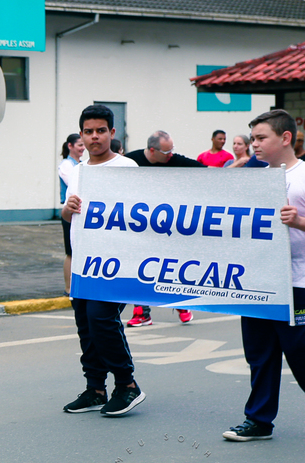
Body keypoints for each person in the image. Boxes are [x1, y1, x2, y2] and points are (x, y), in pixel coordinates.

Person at [223, 109, 305, 441]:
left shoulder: (303, 176)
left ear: (285, 138)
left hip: (298, 283)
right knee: (260, 353)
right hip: (258, 280)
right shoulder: (254, 179)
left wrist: (298, 222)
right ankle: (258, 420)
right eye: (252, 138)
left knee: (300, 353)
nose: (253, 145)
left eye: (261, 138)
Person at [61, 104, 144, 416]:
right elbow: (67, 216)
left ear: (112, 132)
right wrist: (67, 209)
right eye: (88, 132)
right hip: (85, 262)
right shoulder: (78, 171)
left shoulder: (127, 168)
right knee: (85, 323)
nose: (94, 137)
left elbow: (144, 214)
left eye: (100, 131)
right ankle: (95, 388)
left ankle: (127, 384)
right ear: (81, 135)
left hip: (117, 263)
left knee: (101, 319)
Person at [123, 131, 204, 326]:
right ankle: (142, 312)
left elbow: (207, 172)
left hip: (167, 226)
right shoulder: (131, 162)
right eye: (167, 152)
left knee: (168, 266)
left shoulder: (175, 160)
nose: (171, 155)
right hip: (140, 226)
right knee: (139, 266)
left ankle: (180, 303)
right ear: (152, 150)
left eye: (172, 150)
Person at [58, 133, 85, 295]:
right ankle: (68, 288)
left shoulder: (81, 164)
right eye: (80, 145)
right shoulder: (66, 165)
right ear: (70, 146)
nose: (83, 148)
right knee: (71, 252)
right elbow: (76, 185)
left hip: (81, 212)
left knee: (80, 251)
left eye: (83, 145)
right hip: (69, 213)